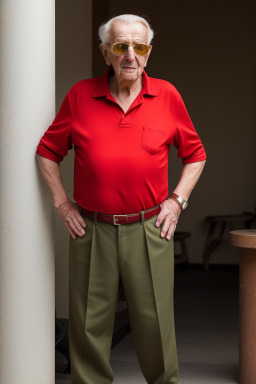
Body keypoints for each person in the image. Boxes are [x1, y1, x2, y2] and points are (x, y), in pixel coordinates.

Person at [36, 13, 206, 384]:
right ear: (105, 52)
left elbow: (195, 154)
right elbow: (47, 151)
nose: (130, 55)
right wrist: (63, 203)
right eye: (120, 46)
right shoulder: (80, 95)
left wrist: (177, 201)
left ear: (148, 53)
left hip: (149, 228)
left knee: (155, 324)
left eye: (139, 47)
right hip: (91, 230)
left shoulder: (167, 95)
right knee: (87, 328)